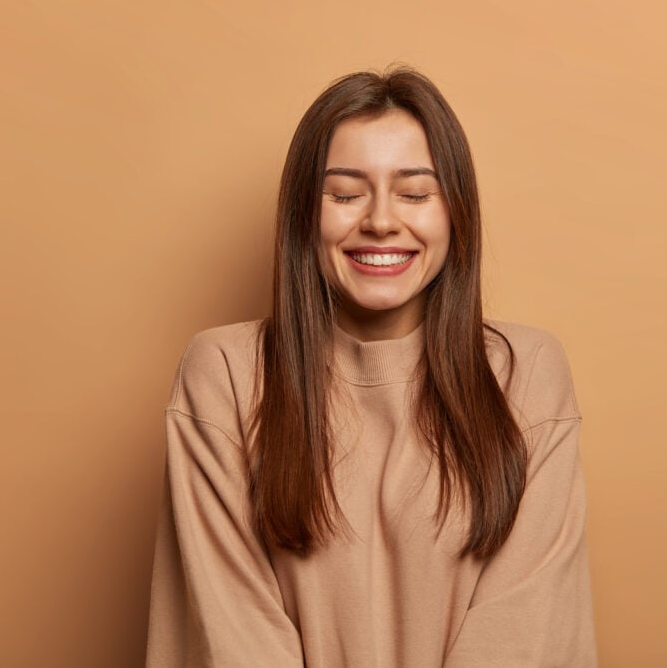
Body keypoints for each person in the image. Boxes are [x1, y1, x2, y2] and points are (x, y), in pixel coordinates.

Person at [144, 65, 597, 667]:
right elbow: (233, 635)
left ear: (455, 212)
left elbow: (524, 631)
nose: (381, 220)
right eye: (346, 194)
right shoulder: (224, 374)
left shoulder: (525, 373)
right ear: (305, 215)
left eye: (414, 193)